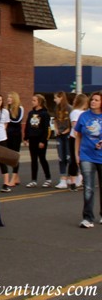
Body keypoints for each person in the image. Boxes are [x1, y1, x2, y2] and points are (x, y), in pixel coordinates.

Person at [74, 91, 102, 228]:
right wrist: (76, 153)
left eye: (96, 100)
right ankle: (87, 218)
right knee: (88, 187)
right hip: (86, 155)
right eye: (92, 99)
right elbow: (78, 135)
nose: (93, 102)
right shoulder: (84, 116)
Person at [24, 94, 52, 188]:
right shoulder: (31, 113)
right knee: (33, 159)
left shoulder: (45, 114)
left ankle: (48, 178)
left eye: (34, 100)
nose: (32, 102)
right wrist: (26, 138)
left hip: (40, 139)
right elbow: (28, 125)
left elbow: (47, 129)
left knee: (42, 158)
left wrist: (43, 141)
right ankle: (33, 180)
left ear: (39, 102)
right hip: (32, 139)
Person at [53, 91, 73, 189]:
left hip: (67, 135)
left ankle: (72, 176)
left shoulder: (69, 108)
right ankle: (63, 179)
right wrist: (56, 129)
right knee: (61, 157)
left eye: (56, 97)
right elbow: (55, 120)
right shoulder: (56, 108)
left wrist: (68, 130)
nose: (54, 100)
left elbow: (72, 122)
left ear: (61, 97)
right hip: (59, 135)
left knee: (69, 157)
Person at [68, 93, 88, 191]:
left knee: (84, 160)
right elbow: (75, 127)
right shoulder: (75, 112)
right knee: (75, 159)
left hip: (83, 139)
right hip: (75, 139)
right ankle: (73, 182)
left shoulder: (84, 112)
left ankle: (82, 179)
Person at [5, 92, 25, 187]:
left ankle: (13, 178)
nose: (8, 99)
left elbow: (16, 120)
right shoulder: (6, 109)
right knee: (8, 156)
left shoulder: (20, 109)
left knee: (15, 156)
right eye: (8, 97)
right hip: (7, 135)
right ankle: (16, 176)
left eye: (10, 97)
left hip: (16, 135)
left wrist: (7, 116)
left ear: (15, 99)